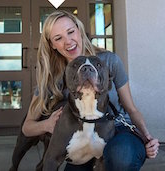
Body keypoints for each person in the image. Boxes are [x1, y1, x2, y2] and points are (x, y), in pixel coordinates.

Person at [22, 10, 159, 171]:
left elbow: (131, 109)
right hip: (80, 142)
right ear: (52, 44)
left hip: (118, 131)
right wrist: (47, 124)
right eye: (58, 38)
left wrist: (146, 136)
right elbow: (27, 127)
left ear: (79, 30)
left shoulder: (109, 61)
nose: (68, 41)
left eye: (71, 32)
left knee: (121, 154)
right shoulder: (53, 77)